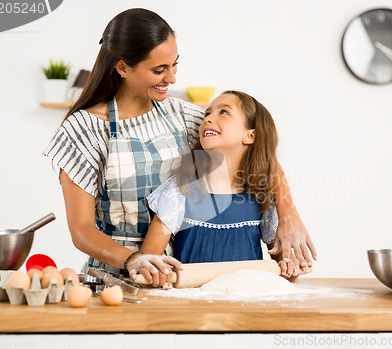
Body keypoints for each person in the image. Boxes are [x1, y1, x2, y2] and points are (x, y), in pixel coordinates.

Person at [43, 8, 316, 287]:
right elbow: (81, 229)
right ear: (123, 67)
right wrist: (134, 259)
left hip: (180, 278)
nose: (172, 78)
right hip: (116, 280)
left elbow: (258, 156)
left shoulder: (183, 116)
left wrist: (288, 215)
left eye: (174, 64)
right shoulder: (82, 132)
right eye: (159, 70)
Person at [140, 90, 305, 286]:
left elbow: (284, 267)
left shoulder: (262, 196)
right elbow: (147, 259)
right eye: (207, 114)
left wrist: (291, 267)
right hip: (191, 305)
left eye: (223, 112)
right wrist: (157, 271)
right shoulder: (179, 190)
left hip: (246, 304)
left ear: (250, 136)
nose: (208, 118)